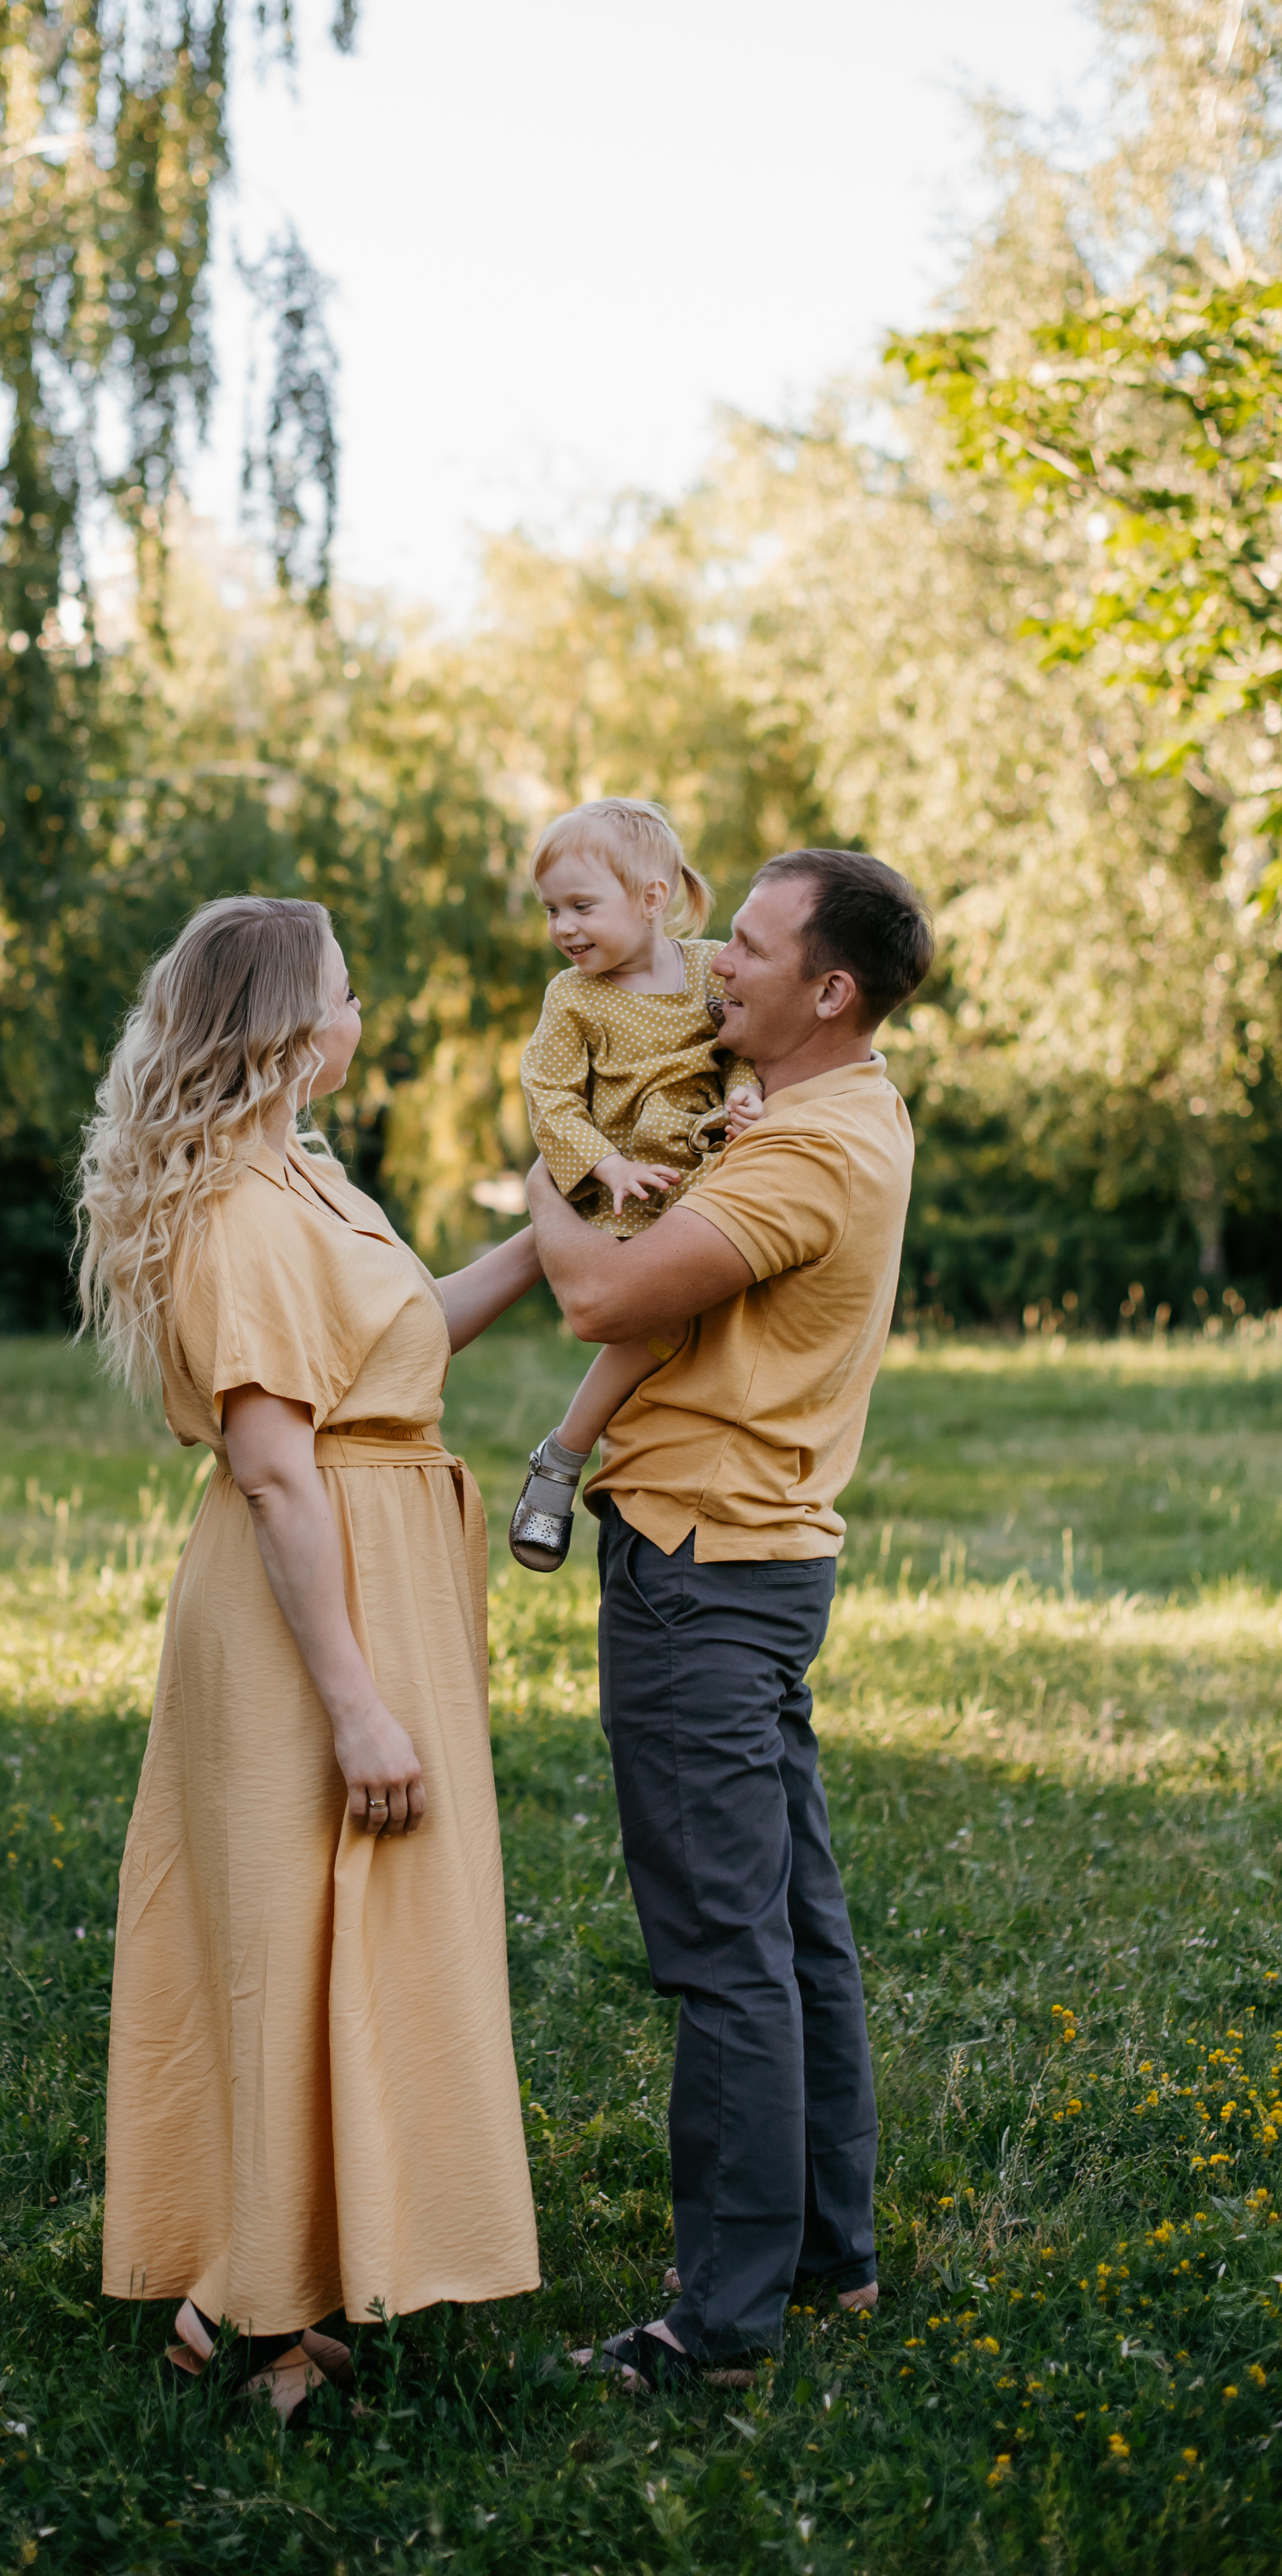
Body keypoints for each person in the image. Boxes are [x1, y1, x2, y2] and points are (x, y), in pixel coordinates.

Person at [75, 894, 542, 2428]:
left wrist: (551, 1233)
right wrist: (352, 1701)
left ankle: (307, 2273)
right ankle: (241, 2309)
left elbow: (400, 1350)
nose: (360, 1016)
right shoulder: (238, 1211)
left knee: (366, 1932)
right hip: (304, 1607)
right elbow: (278, 1468)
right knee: (285, 1933)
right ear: (289, 1024)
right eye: (344, 994)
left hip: (377, 1557)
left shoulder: (310, 1179)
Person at [525, 847, 935, 2393]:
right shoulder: (849, 1105)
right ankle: (827, 2262)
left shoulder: (798, 1155)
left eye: (750, 949)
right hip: (757, 1561)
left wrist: (541, 1155)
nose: (713, 965)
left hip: (702, 1566)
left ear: (828, 990)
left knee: (723, 1955)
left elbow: (598, 1296)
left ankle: (720, 2323)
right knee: (790, 1934)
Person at [508, 799, 762, 1576]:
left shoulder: (707, 969)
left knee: (718, 1314)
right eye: (552, 910)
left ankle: (675, 1449)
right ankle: (563, 1455)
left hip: (709, 1163)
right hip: (629, 1179)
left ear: (653, 899)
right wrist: (604, 1166)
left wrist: (748, 1090)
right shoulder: (574, 998)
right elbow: (549, 1095)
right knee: (650, 1323)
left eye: (582, 906)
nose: (563, 928)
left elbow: (743, 1046)